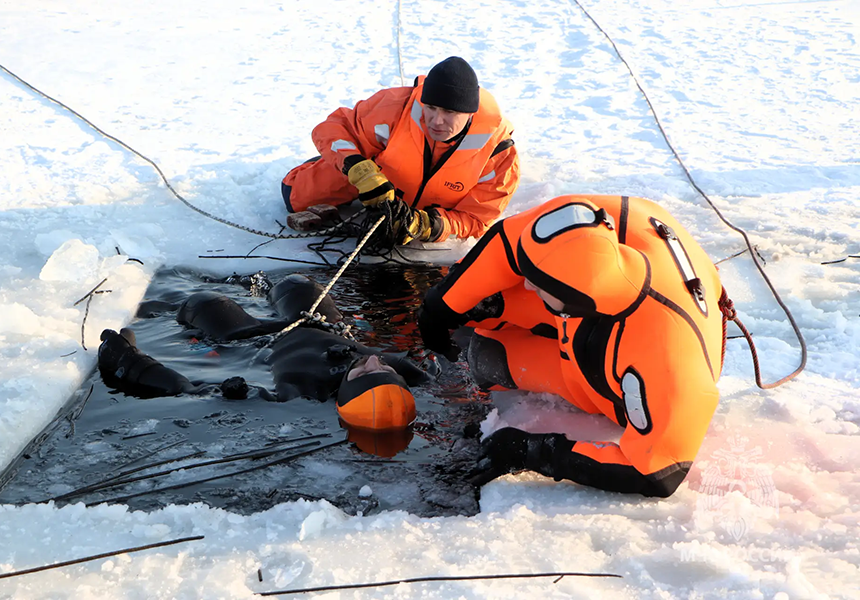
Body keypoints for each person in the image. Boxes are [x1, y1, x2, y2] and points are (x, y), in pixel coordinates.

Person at [416, 194, 726, 498]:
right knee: (480, 303)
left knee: (489, 357)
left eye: (538, 283)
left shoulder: (670, 368)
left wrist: (533, 451)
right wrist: (443, 303)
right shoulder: (612, 222)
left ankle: (546, 346)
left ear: (573, 302)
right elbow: (509, 244)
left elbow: (656, 474)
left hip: (613, 377)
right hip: (604, 310)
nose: (526, 284)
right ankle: (499, 310)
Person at [98, 274, 428, 432]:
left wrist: (129, 362)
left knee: (203, 301)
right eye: (384, 367)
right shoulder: (396, 374)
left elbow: (189, 390)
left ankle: (167, 306)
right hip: (320, 322)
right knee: (298, 284)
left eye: (365, 373)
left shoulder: (301, 393)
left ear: (346, 394)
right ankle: (256, 286)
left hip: (251, 340)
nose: (372, 359)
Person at [280, 56, 520, 248]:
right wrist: (356, 167)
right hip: (376, 177)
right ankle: (343, 166)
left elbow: (477, 219)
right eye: (431, 108)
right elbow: (331, 129)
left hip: (433, 206)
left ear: (470, 113)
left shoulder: (498, 153)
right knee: (296, 197)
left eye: (449, 112)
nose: (437, 120)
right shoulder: (395, 107)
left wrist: (427, 226)